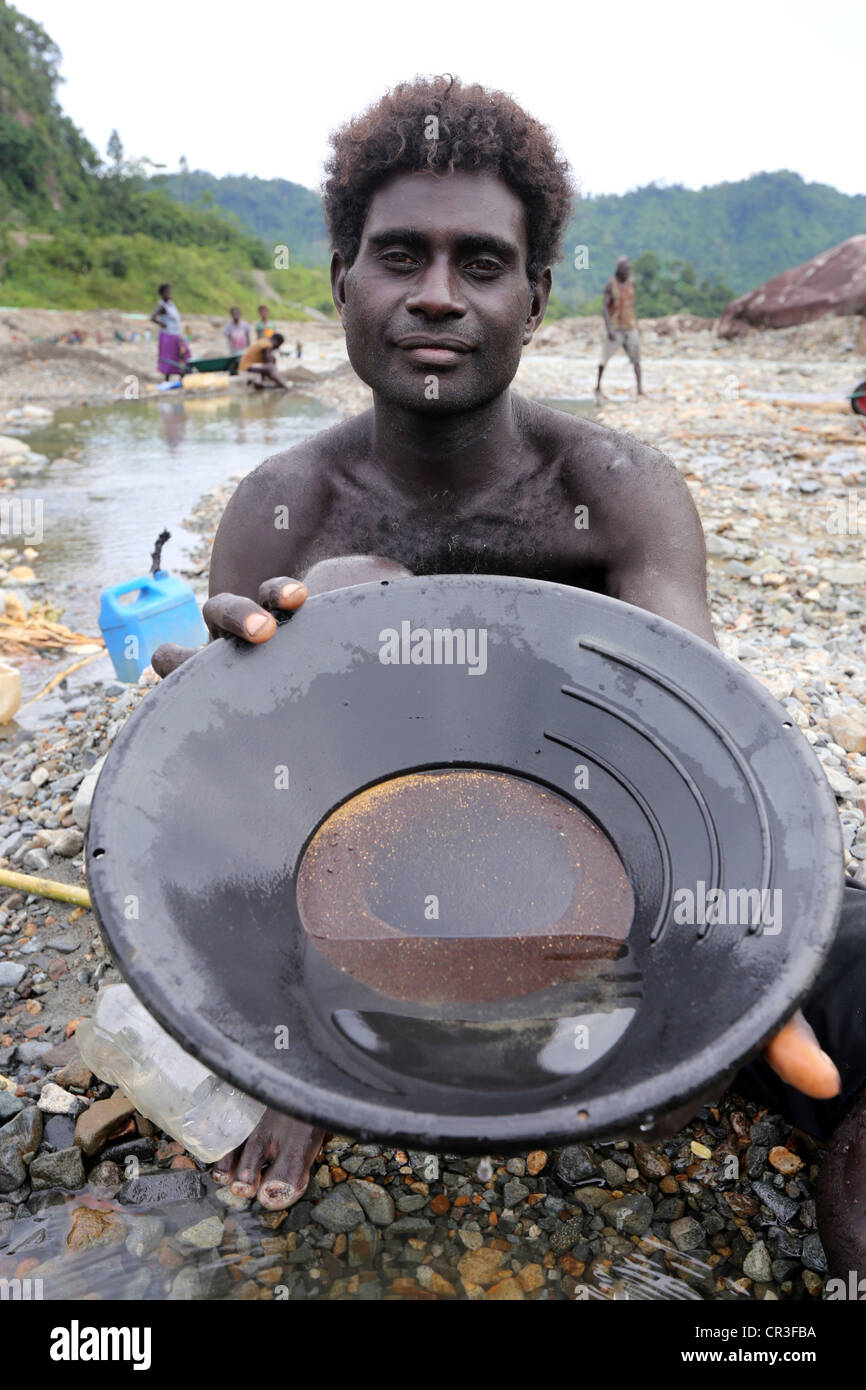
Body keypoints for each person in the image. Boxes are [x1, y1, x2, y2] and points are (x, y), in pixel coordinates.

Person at [151, 76, 865, 1277]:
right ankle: (340, 1064)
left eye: (480, 262)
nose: (436, 294)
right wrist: (207, 710)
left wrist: (736, 966)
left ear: (534, 300)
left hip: (600, 902)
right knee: (352, 588)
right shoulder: (284, 509)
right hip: (368, 912)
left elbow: (696, 732)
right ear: (340, 282)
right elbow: (238, 821)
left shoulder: (615, 486)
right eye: (398, 257)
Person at [595, 256, 643, 402]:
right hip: (615, 328)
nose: (627, 272)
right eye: (625, 270)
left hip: (630, 327)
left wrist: (637, 326)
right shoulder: (611, 284)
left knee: (637, 360)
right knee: (604, 359)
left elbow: (631, 305)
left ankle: (640, 390)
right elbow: (604, 306)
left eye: (629, 270)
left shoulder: (631, 283)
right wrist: (609, 328)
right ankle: (597, 387)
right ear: (619, 270)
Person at [150, 283, 189, 381]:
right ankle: (167, 380)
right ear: (162, 293)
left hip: (176, 334)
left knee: (183, 354)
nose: (169, 293)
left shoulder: (171, 303)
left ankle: (182, 377)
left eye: (169, 291)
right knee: (169, 357)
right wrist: (162, 324)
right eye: (167, 292)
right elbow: (152, 317)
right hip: (168, 335)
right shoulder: (161, 305)